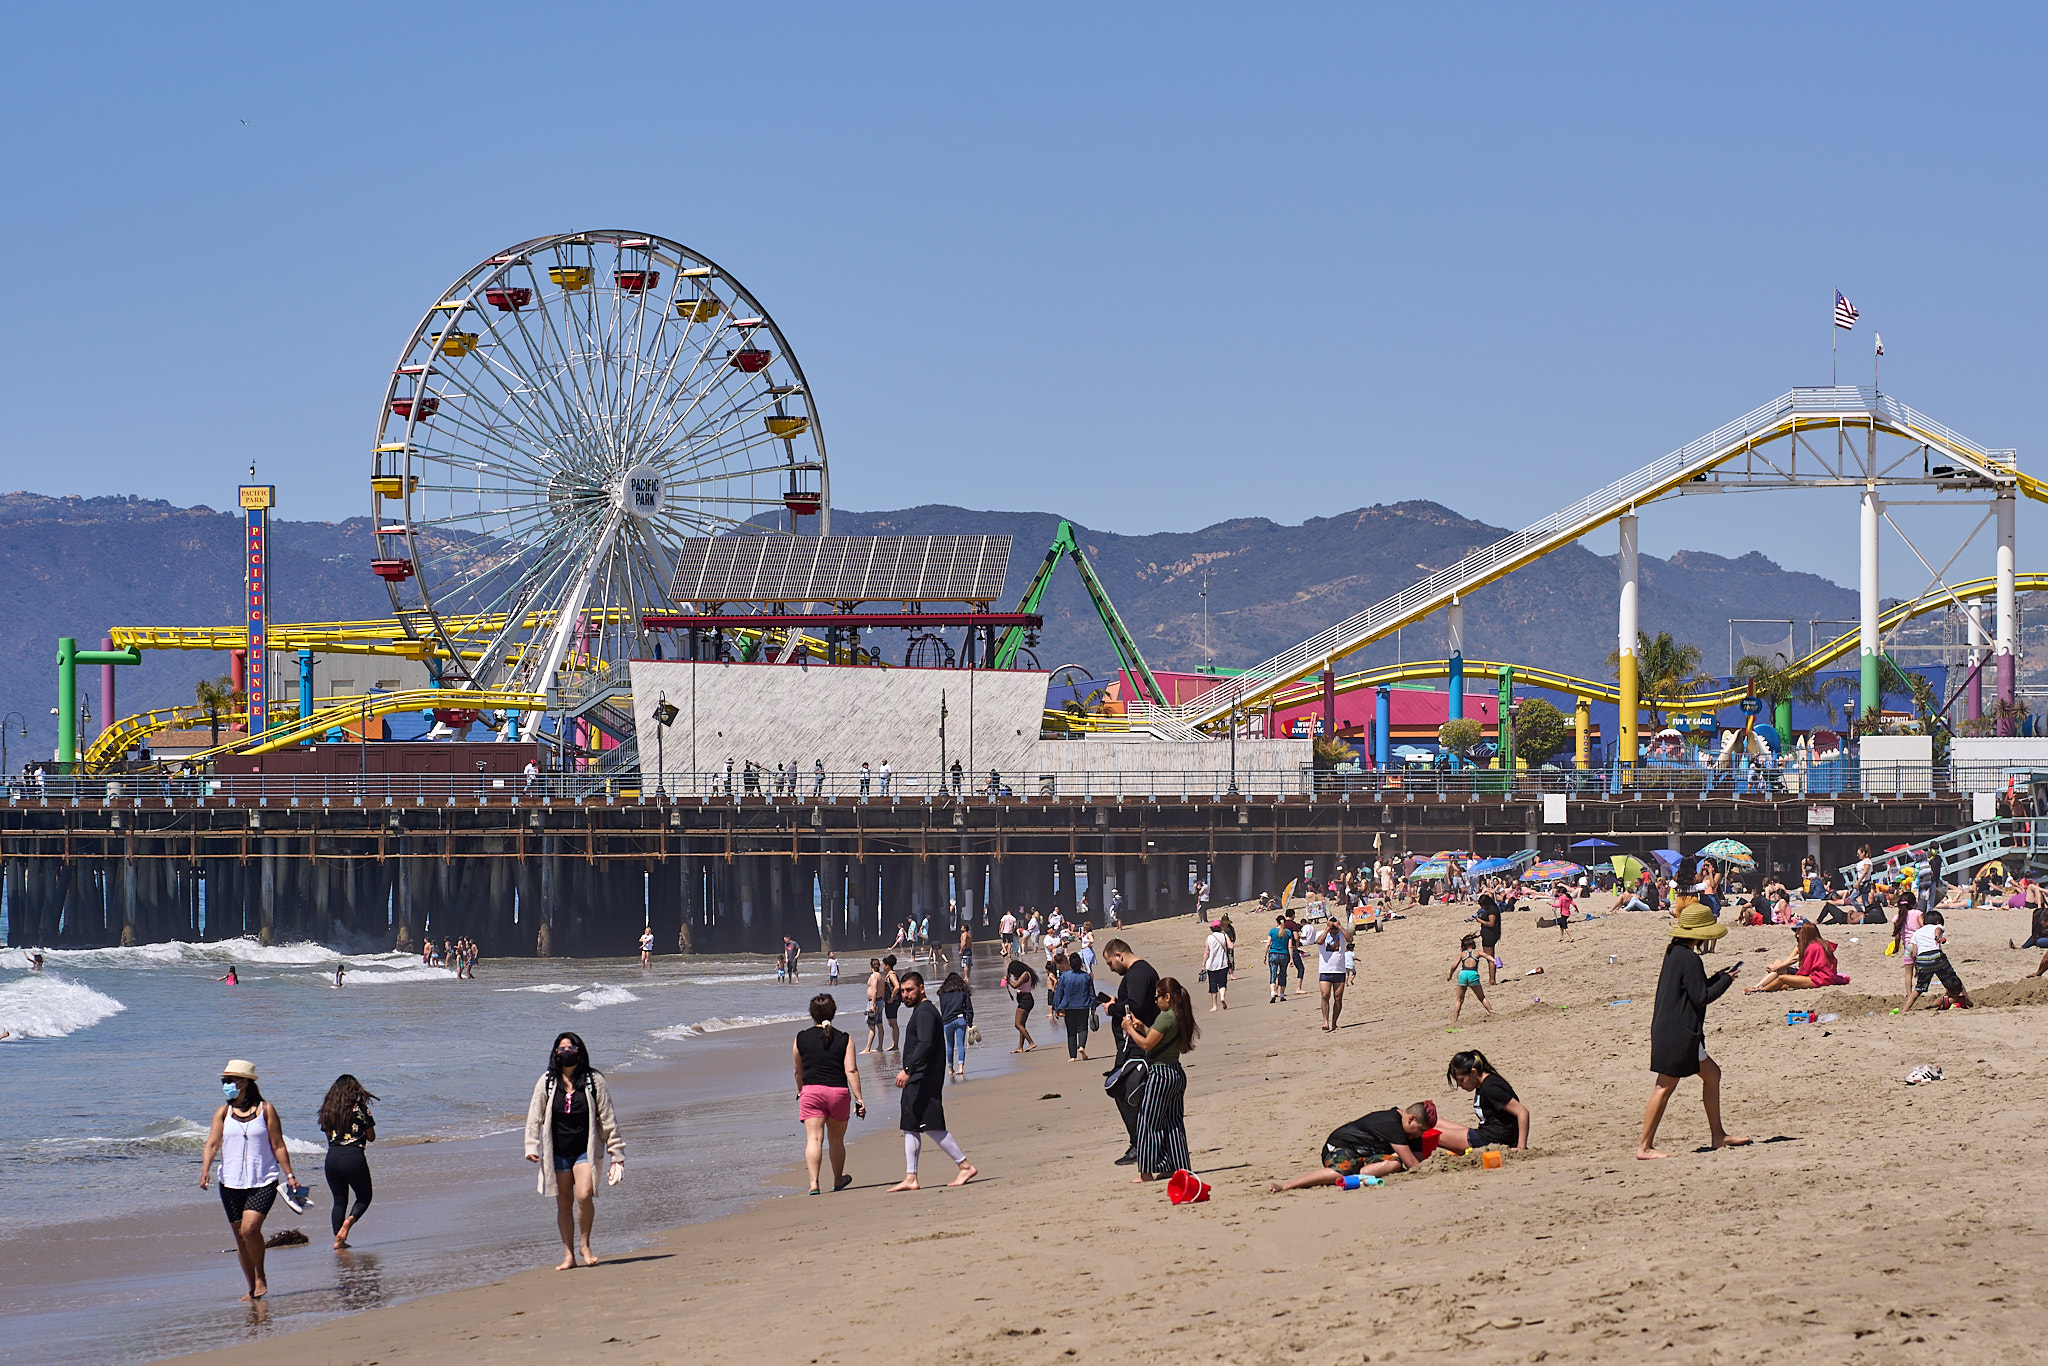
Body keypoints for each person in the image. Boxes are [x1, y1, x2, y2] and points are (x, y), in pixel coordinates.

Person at [1637, 870, 1750, 1160]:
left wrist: (1718, 976)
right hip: (1679, 1033)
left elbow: (1694, 989)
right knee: (1664, 1087)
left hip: (1673, 1028)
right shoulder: (1688, 958)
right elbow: (1702, 997)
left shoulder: (1675, 953)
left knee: (1712, 1075)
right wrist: (1726, 981)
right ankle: (1644, 1147)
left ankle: (1718, 1135)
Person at [200, 1059, 305, 1300]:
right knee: (240, 1238)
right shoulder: (223, 1113)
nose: (226, 1085)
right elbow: (212, 1144)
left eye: (230, 1080)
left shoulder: (266, 1110)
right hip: (230, 1183)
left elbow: (278, 1145)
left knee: (250, 1229)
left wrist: (290, 1175)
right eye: (224, 1081)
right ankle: (251, 1287)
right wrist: (205, 1170)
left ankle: (261, 1275)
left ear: (245, 1082)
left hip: (263, 1180)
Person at [522, 1031, 625, 1270]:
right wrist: (531, 1145)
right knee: (564, 1202)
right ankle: (569, 1255)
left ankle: (585, 1245)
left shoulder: (594, 1081)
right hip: (557, 1152)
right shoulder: (547, 1081)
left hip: (585, 1150)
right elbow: (534, 1116)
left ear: (580, 1051)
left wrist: (617, 1155)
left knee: (584, 1195)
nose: (566, 1052)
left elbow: (608, 1119)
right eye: (562, 1049)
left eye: (571, 1048)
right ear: (555, 1053)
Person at [889, 972, 976, 1190]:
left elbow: (925, 1043)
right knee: (910, 1126)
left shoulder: (925, 1012)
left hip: (923, 1078)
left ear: (921, 988)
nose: (905, 995)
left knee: (932, 1125)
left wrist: (908, 1070)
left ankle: (964, 1165)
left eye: (910, 990)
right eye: (903, 991)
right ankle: (911, 1177)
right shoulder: (920, 1011)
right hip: (917, 1077)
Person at [1120, 975, 1198, 1181]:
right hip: (1175, 1072)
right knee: (1173, 1123)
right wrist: (1142, 1028)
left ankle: (1145, 1171)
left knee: (1148, 1121)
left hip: (1161, 1074)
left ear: (1167, 997)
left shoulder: (1166, 1016)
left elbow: (1147, 1045)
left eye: (1157, 997)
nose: (1155, 1001)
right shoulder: (1179, 1014)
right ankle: (1178, 1166)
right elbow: (1157, 1038)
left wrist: (1129, 1030)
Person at [1267, 1101, 1439, 1191]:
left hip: (1363, 1156)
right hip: (1340, 1146)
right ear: (1411, 1119)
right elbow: (1413, 1165)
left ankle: (1353, 1177)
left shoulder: (1411, 1131)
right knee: (1343, 1170)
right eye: (1421, 1130)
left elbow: (1416, 1161)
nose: (1420, 1135)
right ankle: (1288, 1185)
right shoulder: (1392, 1124)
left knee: (1394, 1165)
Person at [794, 993, 864, 1194]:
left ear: (812, 1014)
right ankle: (838, 1179)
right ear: (833, 1012)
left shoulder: (801, 1038)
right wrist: (859, 1098)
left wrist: (800, 1090)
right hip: (838, 1093)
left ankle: (814, 1184)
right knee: (836, 1140)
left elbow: (798, 1070)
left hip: (811, 1092)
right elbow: (851, 1070)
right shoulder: (844, 1038)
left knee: (814, 1140)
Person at [1102, 938, 1160, 1166]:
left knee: (1122, 1089)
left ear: (1119, 955)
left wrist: (1112, 1008)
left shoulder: (1138, 973)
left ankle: (1140, 1144)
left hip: (1138, 1044)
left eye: (1110, 963)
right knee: (1130, 1092)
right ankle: (1144, 1142)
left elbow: (1136, 1005)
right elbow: (1135, 1002)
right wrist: (1119, 1002)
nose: (1110, 968)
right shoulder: (1139, 973)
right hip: (1134, 1043)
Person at [318, 1074, 377, 1249]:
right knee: (364, 1196)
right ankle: (348, 1223)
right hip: (353, 1157)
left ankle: (338, 1240)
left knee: (339, 1200)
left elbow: (328, 1135)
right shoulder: (360, 1109)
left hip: (331, 1158)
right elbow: (371, 1137)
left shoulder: (328, 1110)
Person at [1435, 1050, 1530, 1152]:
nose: (1459, 1085)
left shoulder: (1491, 1088)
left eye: (1461, 1080)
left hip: (1492, 1140)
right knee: (1433, 1123)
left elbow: (1522, 1112)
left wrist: (1521, 1147)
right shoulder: (1483, 1083)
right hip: (1486, 1134)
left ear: (1473, 1072)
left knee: (1432, 1134)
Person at [1742, 924, 1850, 993]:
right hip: (1826, 976)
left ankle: (1760, 990)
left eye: (1799, 932)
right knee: (1782, 975)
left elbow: (1805, 968)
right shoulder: (1822, 944)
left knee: (1782, 978)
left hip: (1819, 979)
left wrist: (1793, 976)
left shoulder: (1812, 947)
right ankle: (1759, 987)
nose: (1797, 935)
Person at [1902, 910, 1974, 1011]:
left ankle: (1905, 1009)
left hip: (1922, 959)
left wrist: (1917, 966)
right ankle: (1967, 1000)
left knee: (1918, 989)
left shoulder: (1916, 933)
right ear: (1937, 921)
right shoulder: (1937, 926)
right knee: (1954, 980)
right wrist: (1936, 936)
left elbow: (1914, 953)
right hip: (1937, 957)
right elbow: (1938, 930)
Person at [1053, 953, 1098, 1061]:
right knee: (1083, 1028)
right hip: (1083, 1005)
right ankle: (1081, 1046)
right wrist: (1093, 1007)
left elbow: (1059, 993)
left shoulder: (1065, 976)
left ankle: (1073, 1056)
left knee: (1071, 1031)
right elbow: (1092, 993)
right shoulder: (1086, 976)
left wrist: (1056, 1007)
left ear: (1070, 963)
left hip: (1069, 1006)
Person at [937, 970, 976, 1079]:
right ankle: (960, 1067)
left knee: (949, 1045)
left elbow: (943, 1008)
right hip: (960, 1019)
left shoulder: (942, 993)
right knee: (960, 1044)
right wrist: (969, 1022)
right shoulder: (963, 991)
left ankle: (950, 1068)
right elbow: (969, 1008)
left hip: (947, 1021)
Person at [1448, 934, 1493, 1020]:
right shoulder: (1477, 952)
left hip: (1463, 974)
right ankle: (1491, 1012)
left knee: (1459, 1000)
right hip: (1473, 974)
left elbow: (1454, 966)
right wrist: (1495, 961)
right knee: (1482, 997)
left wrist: (1450, 975)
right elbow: (1487, 956)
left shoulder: (1462, 954)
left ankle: (1455, 1019)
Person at [1317, 918, 1349, 1031]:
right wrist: (1328, 929)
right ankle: (1325, 1021)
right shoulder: (1322, 933)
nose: (1334, 931)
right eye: (1333, 929)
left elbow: (1350, 939)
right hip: (1325, 970)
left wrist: (1339, 927)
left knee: (1338, 998)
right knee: (1325, 995)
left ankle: (1334, 1023)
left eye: (1335, 929)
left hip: (1339, 970)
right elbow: (1319, 942)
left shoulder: (1342, 934)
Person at [1006, 960, 1040, 1052]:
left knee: (1017, 1024)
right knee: (1022, 1024)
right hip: (1024, 999)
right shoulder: (1025, 974)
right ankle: (1020, 1047)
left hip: (1025, 1000)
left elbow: (1015, 985)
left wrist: (1008, 980)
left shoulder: (1025, 974)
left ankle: (1031, 1042)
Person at [1202, 920, 1231, 1010]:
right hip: (1223, 963)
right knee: (1222, 984)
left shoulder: (1209, 938)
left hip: (1211, 965)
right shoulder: (1224, 936)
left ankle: (1214, 1006)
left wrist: (1203, 965)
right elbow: (1231, 946)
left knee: (1213, 985)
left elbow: (1207, 952)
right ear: (1220, 927)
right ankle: (1222, 997)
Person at [1473, 895, 1502, 982]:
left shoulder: (1492, 910)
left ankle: (1492, 980)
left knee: (1490, 958)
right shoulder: (1492, 909)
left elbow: (1491, 923)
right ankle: (1492, 979)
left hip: (1489, 935)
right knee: (1490, 958)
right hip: (1489, 935)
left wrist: (1480, 921)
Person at [862, 957, 887, 1054]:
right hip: (880, 1001)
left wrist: (872, 1005)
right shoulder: (881, 976)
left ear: (871, 966)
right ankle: (880, 1047)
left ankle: (867, 1048)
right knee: (879, 1024)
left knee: (871, 1025)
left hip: (874, 1002)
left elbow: (875, 990)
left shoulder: (874, 976)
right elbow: (883, 989)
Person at [1265, 914, 1292, 1003]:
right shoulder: (1288, 932)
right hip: (1284, 954)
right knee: (1283, 974)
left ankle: (1273, 993)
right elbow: (1290, 946)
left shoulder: (1272, 931)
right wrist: (1291, 958)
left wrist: (1265, 955)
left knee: (1273, 973)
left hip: (1273, 953)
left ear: (1277, 923)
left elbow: (1268, 944)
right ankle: (1282, 995)